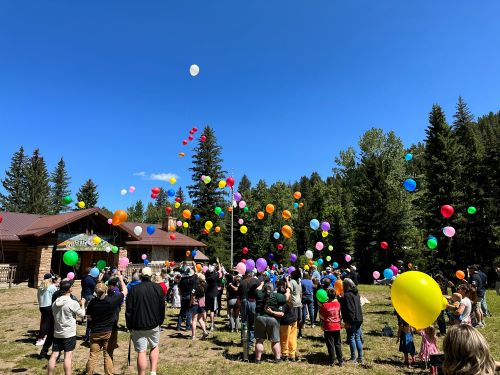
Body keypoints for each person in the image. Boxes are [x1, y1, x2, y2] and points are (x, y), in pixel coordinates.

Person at [85, 273, 127, 375]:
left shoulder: (92, 303)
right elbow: (125, 292)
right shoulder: (111, 301)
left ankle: (88, 373)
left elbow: (89, 318)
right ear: (106, 290)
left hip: (95, 332)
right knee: (108, 355)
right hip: (109, 332)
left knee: (93, 356)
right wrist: (121, 280)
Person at [125, 267, 165, 375]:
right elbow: (162, 307)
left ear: (141, 276)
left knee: (141, 351)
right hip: (153, 324)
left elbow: (129, 309)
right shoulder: (158, 288)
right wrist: (160, 321)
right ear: (151, 276)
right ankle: (153, 372)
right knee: (154, 346)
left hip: (138, 325)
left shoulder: (134, 289)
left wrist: (129, 325)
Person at [48, 279, 86, 375]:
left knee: (54, 355)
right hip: (69, 333)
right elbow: (82, 315)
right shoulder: (72, 302)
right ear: (69, 289)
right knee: (68, 357)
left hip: (57, 332)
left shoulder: (55, 302)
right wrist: (83, 304)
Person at [254, 277, 290, 363]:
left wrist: (262, 283)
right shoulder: (277, 296)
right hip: (273, 319)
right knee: (275, 341)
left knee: (259, 340)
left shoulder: (259, 294)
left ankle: (258, 359)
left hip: (260, 318)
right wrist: (288, 287)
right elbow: (287, 296)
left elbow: (257, 289)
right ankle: (277, 358)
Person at [339, 278, 363, 364]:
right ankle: (360, 358)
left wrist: (346, 321)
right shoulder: (356, 293)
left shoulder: (347, 295)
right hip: (359, 318)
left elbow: (348, 309)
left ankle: (353, 358)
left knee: (352, 337)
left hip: (352, 318)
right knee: (357, 337)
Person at [319, 288, 343, 367]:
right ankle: (340, 361)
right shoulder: (338, 304)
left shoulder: (324, 305)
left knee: (330, 344)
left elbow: (321, 316)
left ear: (327, 296)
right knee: (338, 343)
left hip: (328, 327)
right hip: (337, 326)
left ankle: (332, 361)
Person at [238, 270, 259, 347]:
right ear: (252, 274)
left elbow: (238, 294)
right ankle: (250, 342)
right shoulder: (256, 281)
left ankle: (244, 340)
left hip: (244, 302)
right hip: (253, 302)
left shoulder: (242, 282)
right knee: (252, 322)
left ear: (245, 275)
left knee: (244, 322)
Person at [37, 273, 58, 346]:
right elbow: (56, 295)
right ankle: (40, 338)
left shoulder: (40, 287)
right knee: (46, 323)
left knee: (45, 321)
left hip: (42, 306)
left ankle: (46, 336)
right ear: (50, 279)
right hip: (48, 306)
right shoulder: (51, 287)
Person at [82, 267, 101, 343]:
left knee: (88, 314)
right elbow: (95, 286)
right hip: (89, 295)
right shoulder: (88, 278)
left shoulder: (86, 277)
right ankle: (88, 336)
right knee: (90, 316)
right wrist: (98, 281)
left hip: (86, 294)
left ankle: (87, 335)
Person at [177, 267, 196, 331]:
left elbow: (179, 288)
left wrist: (181, 295)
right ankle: (187, 327)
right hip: (190, 296)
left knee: (182, 311)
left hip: (184, 296)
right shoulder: (192, 279)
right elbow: (196, 274)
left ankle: (178, 326)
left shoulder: (182, 280)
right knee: (189, 312)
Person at [190, 273, 209, 340]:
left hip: (195, 302)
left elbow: (193, 296)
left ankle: (193, 336)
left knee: (194, 320)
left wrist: (191, 303)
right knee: (200, 319)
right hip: (202, 302)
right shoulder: (205, 285)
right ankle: (205, 331)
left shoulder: (195, 286)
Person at [205, 258, 222, 330]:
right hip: (214, 294)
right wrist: (218, 263)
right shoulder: (215, 275)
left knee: (206, 310)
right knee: (212, 311)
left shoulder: (207, 275)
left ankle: (204, 323)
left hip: (207, 293)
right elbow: (220, 270)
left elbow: (207, 271)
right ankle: (212, 325)